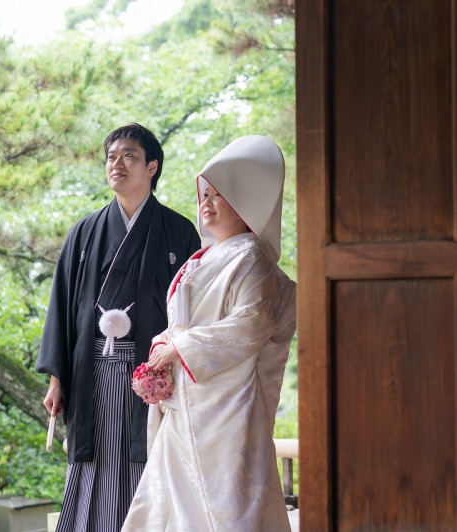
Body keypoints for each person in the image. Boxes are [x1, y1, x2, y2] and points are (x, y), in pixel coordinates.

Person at [121, 135, 297, 531]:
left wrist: (179, 347)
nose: (207, 201)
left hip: (225, 404)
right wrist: (164, 345)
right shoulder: (206, 256)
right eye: (205, 193)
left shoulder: (251, 257)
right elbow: (184, 322)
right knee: (171, 496)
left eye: (220, 195)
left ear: (246, 202)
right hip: (188, 398)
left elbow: (251, 324)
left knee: (229, 502)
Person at [36, 123, 201, 531]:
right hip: (91, 371)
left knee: (152, 461)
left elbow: (194, 311)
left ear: (152, 167)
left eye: (129, 155)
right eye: (112, 156)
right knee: (94, 462)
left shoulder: (179, 232)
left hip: (154, 373)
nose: (117, 164)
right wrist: (57, 379)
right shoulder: (84, 233)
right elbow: (61, 308)